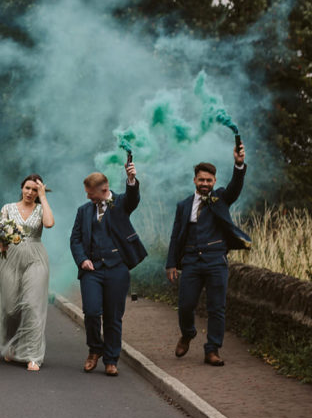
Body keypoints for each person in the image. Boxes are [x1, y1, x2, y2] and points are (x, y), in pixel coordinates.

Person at [165, 144, 250, 366]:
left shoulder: (221, 198)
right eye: (201, 180)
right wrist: (171, 263)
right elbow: (176, 236)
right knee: (185, 306)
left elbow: (235, 186)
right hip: (191, 261)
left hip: (216, 260)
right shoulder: (183, 205)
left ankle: (212, 350)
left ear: (214, 182)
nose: (205, 184)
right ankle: (188, 333)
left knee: (217, 308)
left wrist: (239, 164)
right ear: (195, 180)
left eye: (209, 181)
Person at [69, 163, 148, 377]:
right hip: (91, 269)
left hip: (117, 268)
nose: (88, 198)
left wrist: (131, 179)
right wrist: (82, 259)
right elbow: (75, 239)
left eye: (91, 194)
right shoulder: (83, 211)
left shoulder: (121, 203)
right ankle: (95, 349)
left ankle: (111, 359)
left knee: (114, 316)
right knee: (92, 312)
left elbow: (133, 198)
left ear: (104, 190)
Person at [0, 174, 54, 371]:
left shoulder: (40, 208)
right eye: (27, 188)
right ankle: (11, 345)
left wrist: (44, 198)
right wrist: (1, 242)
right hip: (10, 258)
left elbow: (49, 223)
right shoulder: (8, 208)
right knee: (10, 307)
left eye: (34, 190)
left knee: (31, 305)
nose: (30, 192)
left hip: (35, 259)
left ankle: (33, 355)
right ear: (21, 188)